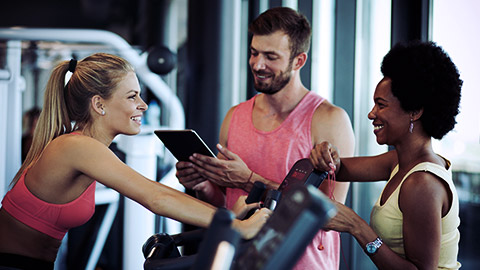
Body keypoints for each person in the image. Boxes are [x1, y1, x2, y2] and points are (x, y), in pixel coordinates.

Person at [0, 53, 270, 270]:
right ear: (99, 104)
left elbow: (156, 190)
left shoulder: (86, 146)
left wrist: (227, 216)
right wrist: (236, 226)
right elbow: (154, 198)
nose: (143, 105)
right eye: (132, 96)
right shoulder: (76, 146)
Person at [176, 7, 355, 270]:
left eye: (271, 56)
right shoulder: (234, 116)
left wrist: (249, 180)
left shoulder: (329, 119)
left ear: (299, 61)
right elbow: (228, 205)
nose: (258, 64)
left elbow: (331, 215)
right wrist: (204, 185)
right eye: (254, 52)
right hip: (237, 261)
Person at [310, 41, 462, 269]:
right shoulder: (400, 162)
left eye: (381, 105)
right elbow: (338, 168)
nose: (372, 114)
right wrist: (326, 153)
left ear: (415, 111)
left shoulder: (422, 182)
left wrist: (356, 226)